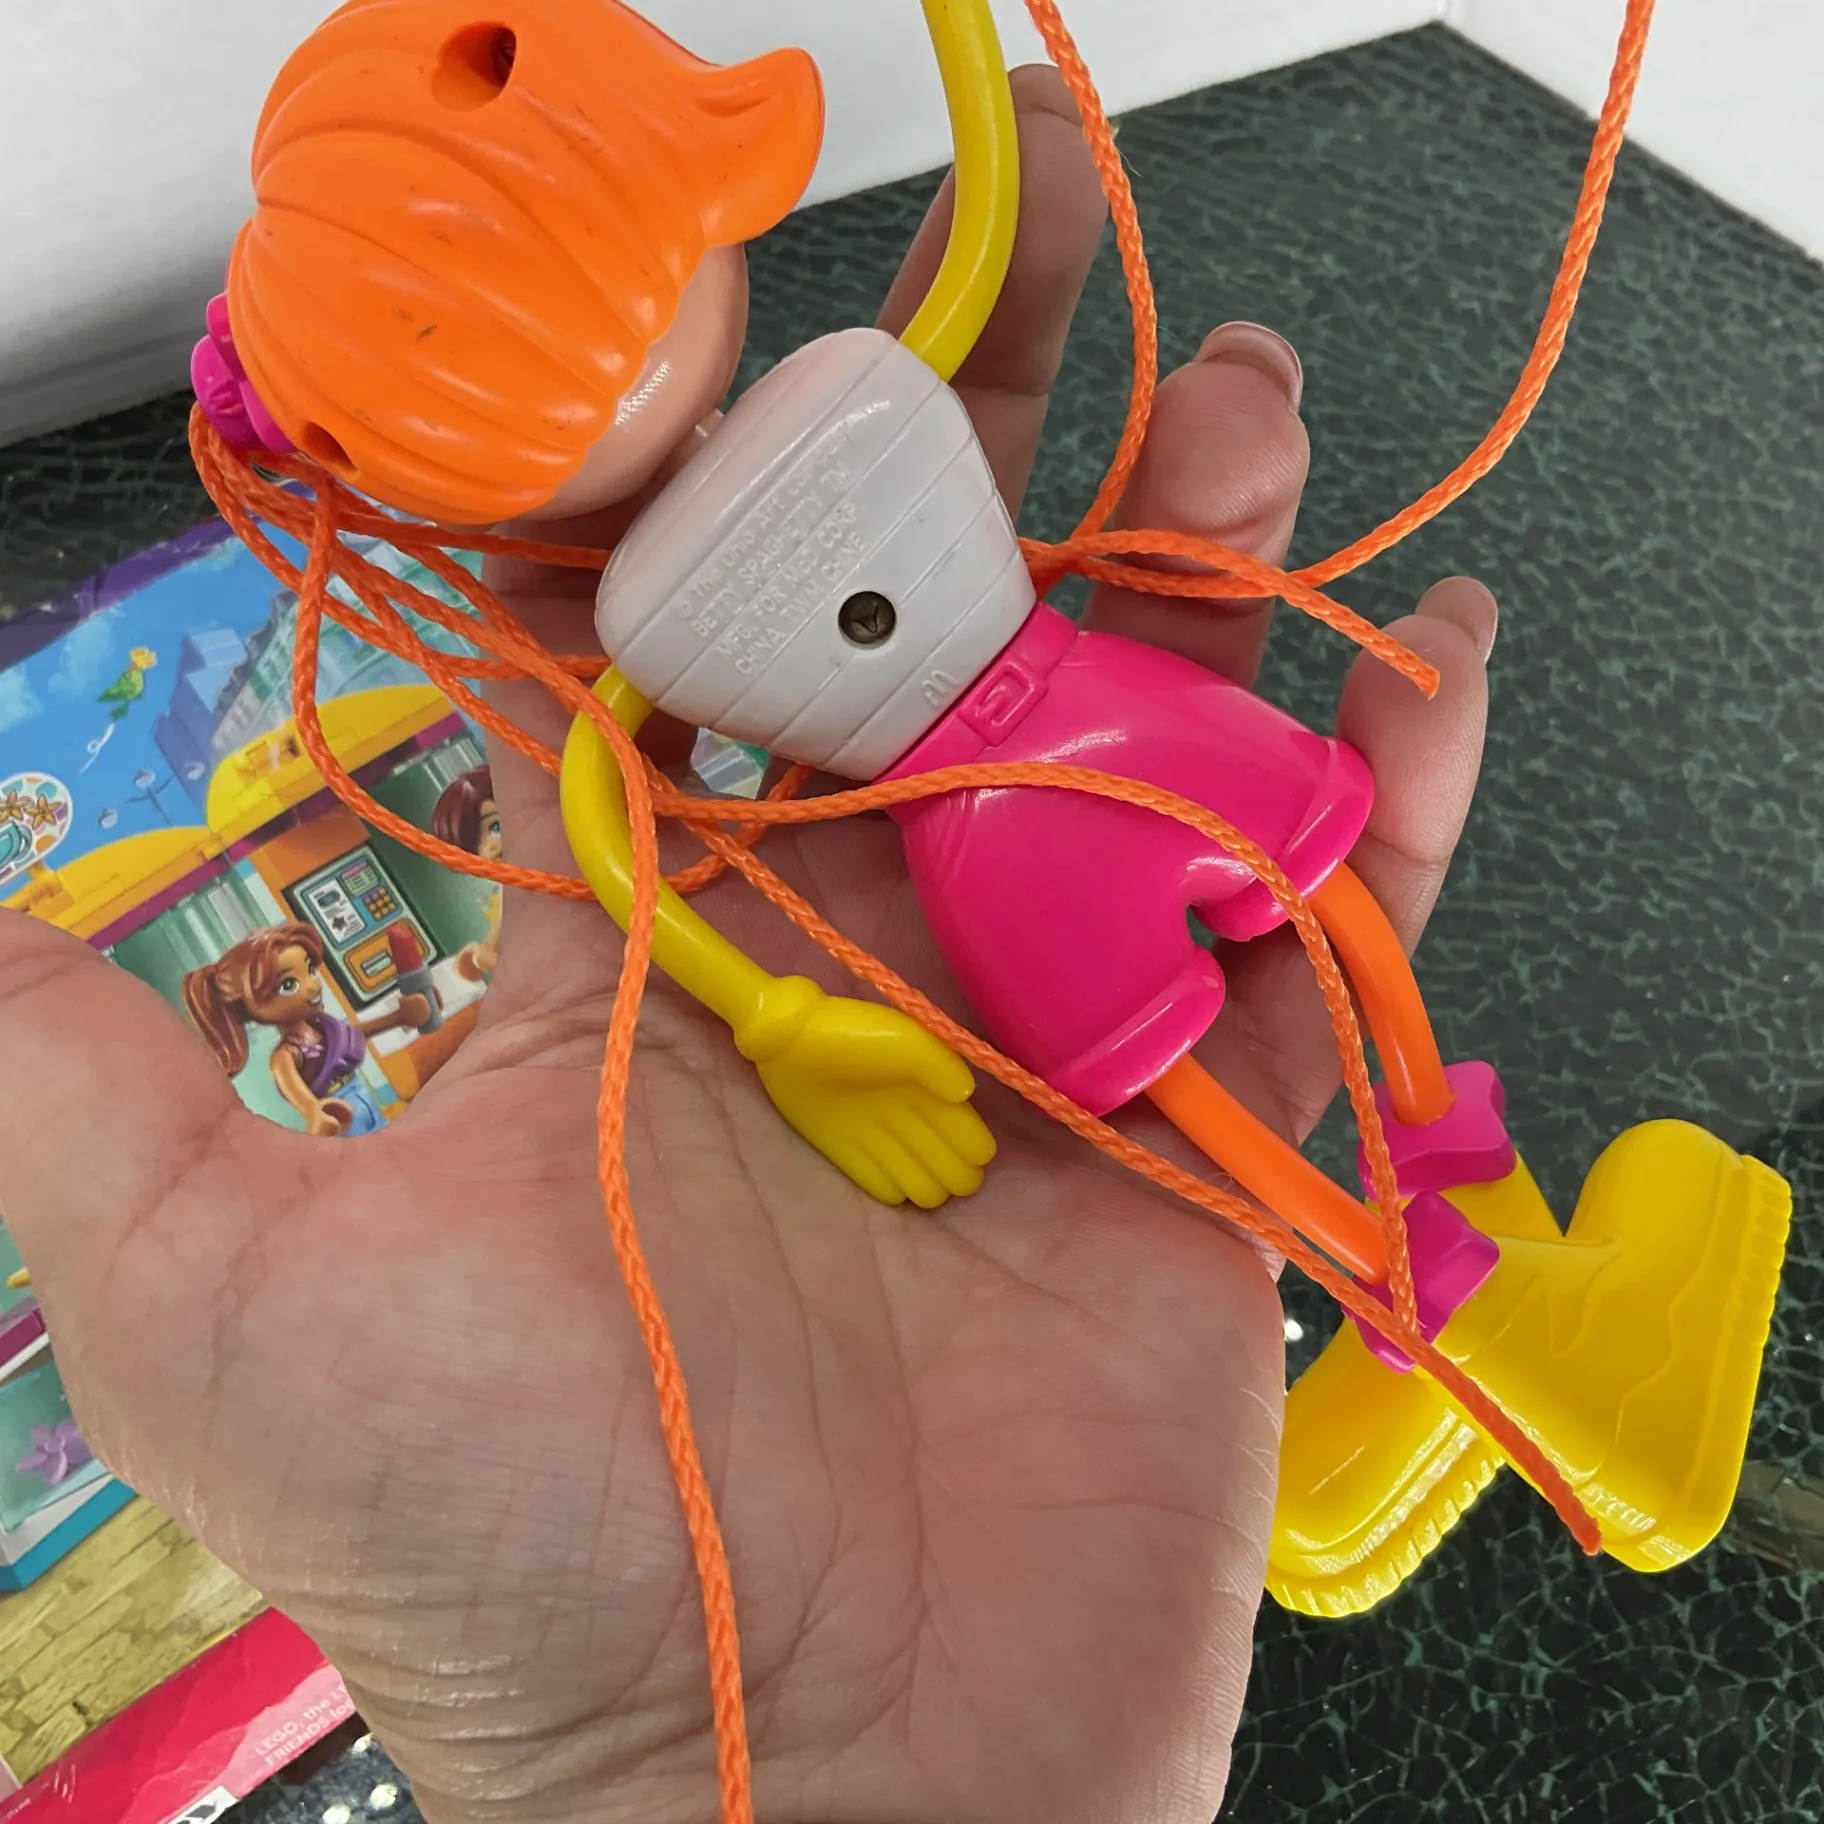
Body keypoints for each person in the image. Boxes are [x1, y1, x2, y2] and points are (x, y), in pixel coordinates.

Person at [0, 71, 1495, 1823]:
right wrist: (782, 1022)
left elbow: (985, 209)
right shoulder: (701, 570)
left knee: (1305, 899)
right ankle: (1419, 1288)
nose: (608, 354)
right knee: (1181, 1047)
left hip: (1075, 742)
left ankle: (1443, 1216)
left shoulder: (803, 466)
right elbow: (622, 854)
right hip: (990, 834)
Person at [181, 923, 433, 1136]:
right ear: (250, 1008)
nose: (313, 986)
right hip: (339, 1111)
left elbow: (353, 1033)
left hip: (362, 1094)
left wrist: (398, 1018)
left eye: (310, 971)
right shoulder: (286, 1054)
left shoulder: (323, 1028)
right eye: (289, 985)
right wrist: (314, 1112)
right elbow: (296, 1092)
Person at [431, 767, 504, 982]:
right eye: (474, 845)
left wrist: (483, 959)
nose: (489, 848)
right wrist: (477, 957)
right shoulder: (509, 894)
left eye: (496, 826)